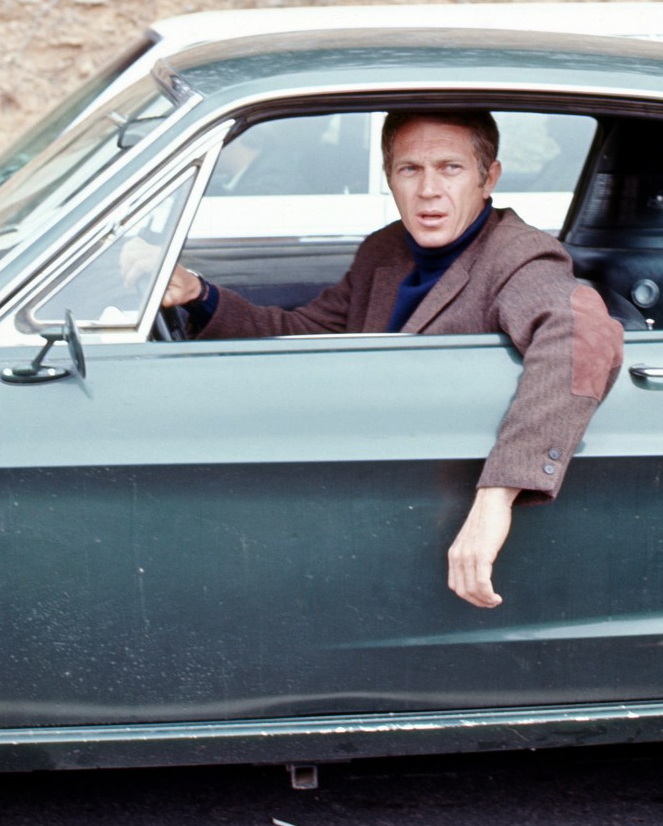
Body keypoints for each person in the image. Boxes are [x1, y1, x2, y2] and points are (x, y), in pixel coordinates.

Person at [156, 110, 624, 609]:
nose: (428, 190)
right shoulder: (386, 250)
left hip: (441, 502)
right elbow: (310, 334)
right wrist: (200, 295)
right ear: (389, 178)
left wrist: (497, 497)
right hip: (372, 484)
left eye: (450, 168)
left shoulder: (519, 256)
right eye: (409, 170)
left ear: (489, 178)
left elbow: (582, 336)